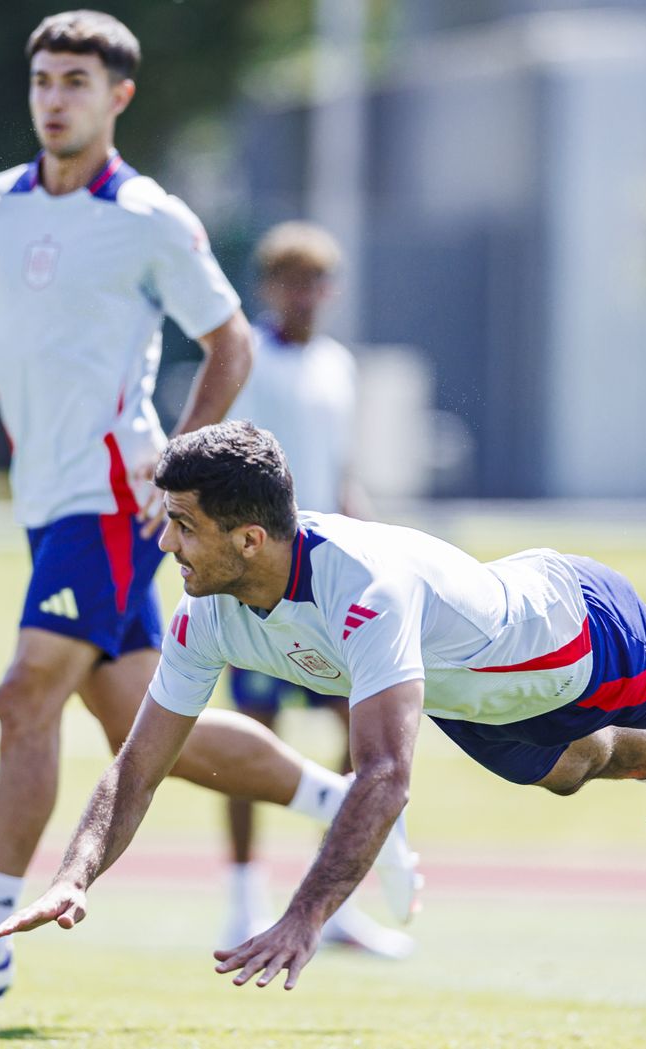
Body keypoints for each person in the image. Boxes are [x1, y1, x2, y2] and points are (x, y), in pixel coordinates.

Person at [0, 12, 417, 1005]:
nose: (54, 98)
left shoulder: (151, 217)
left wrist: (172, 482)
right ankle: (341, 802)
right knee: (148, 728)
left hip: (109, 499)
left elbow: (231, 343)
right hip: (44, 500)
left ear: (119, 97)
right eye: (43, 80)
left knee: (24, 694)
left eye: (76, 81)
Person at [0, 420, 646, 990]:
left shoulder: (365, 589)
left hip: (569, 630)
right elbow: (139, 765)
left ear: (249, 539)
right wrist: (74, 875)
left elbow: (384, 775)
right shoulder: (205, 611)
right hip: (472, 695)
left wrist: (305, 917)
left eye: (182, 525)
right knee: (568, 769)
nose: (165, 542)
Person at [217, 222, 408, 959]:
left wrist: (375, 544)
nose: (307, 295)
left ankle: (334, 900)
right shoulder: (248, 357)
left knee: (365, 731)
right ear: (270, 286)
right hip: (262, 581)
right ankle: (242, 903)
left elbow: (340, 469)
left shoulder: (337, 365)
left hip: (328, 580)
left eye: (318, 282)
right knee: (255, 736)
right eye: (294, 281)